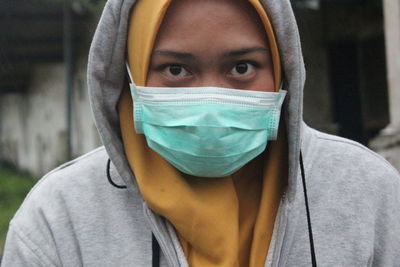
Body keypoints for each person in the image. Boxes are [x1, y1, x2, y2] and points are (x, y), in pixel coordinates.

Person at [1, 0, 399, 266]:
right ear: (131, 76)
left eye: (241, 68)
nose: (211, 99)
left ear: (282, 69)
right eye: (176, 70)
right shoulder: (60, 217)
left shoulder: (366, 191)